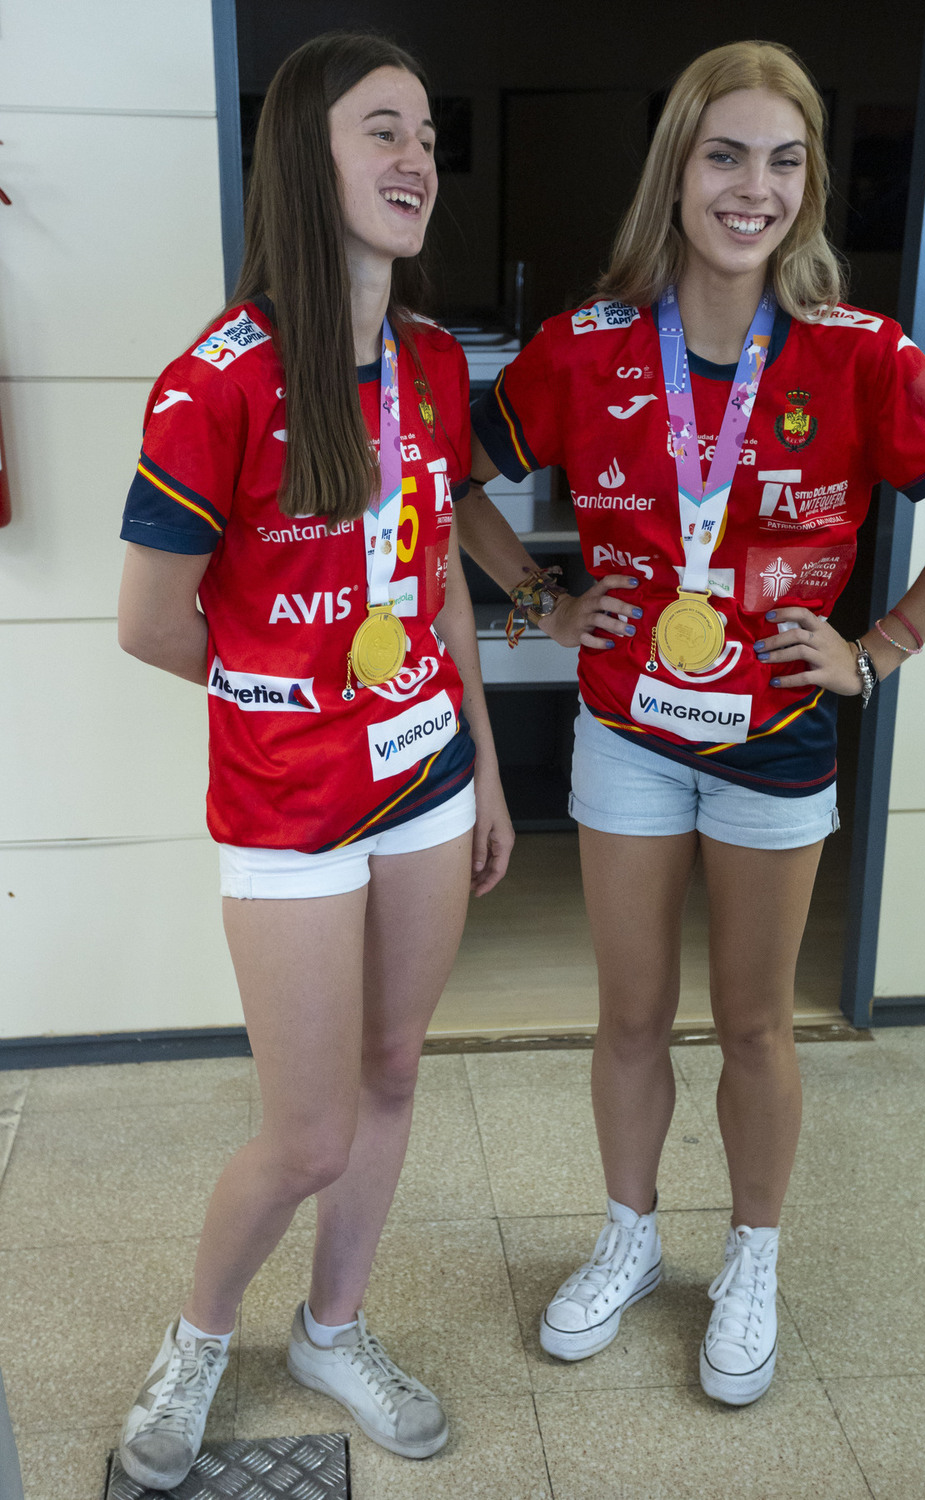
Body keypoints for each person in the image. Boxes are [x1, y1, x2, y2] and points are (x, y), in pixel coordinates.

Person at [458, 40, 925, 1407]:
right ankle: (631, 1235)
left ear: (808, 185)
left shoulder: (858, 354)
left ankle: (750, 1256)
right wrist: (534, 590)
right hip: (628, 730)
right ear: (676, 170)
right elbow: (450, 475)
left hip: (776, 739)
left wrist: (880, 647)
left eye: (783, 160)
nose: (752, 188)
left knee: (756, 1024)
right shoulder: (586, 346)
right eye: (724, 154)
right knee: (631, 1015)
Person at [115, 32, 513, 1489]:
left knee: (397, 1068)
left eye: (426, 133)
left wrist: (483, 761)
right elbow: (152, 623)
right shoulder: (214, 379)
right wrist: (291, 695)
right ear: (307, 154)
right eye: (381, 132)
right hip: (287, 805)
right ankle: (202, 1341)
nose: (417, 159)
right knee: (305, 1126)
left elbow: (439, 579)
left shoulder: (425, 360)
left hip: (424, 780)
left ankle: (333, 1328)